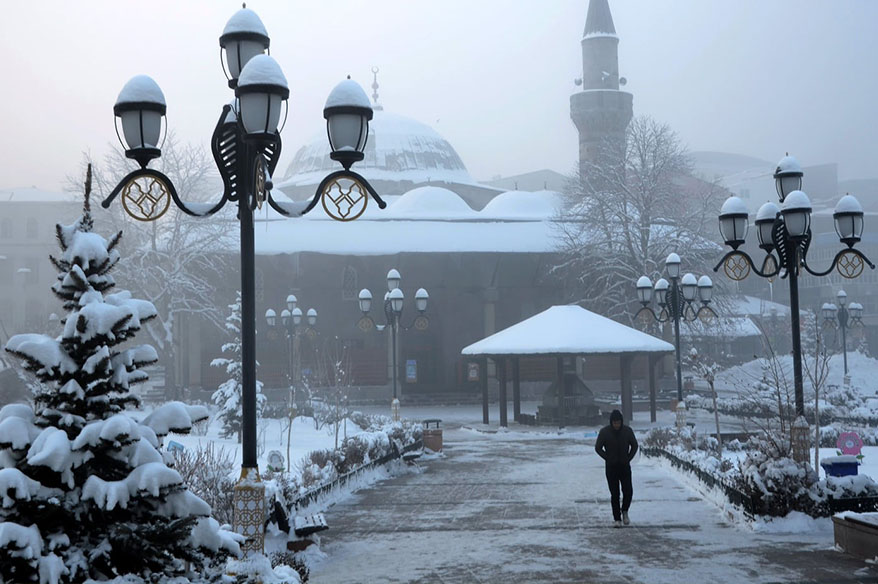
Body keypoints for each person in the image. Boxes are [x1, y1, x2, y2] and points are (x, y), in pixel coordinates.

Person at [594, 409, 638, 527]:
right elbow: (598, 447)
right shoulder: (605, 432)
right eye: (614, 423)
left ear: (621, 422)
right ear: (611, 422)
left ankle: (625, 511)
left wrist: (628, 458)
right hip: (611, 468)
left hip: (624, 466)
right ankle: (617, 518)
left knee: (628, 491)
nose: (616, 425)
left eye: (618, 422)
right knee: (615, 494)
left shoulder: (627, 431)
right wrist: (607, 458)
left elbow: (634, 445)